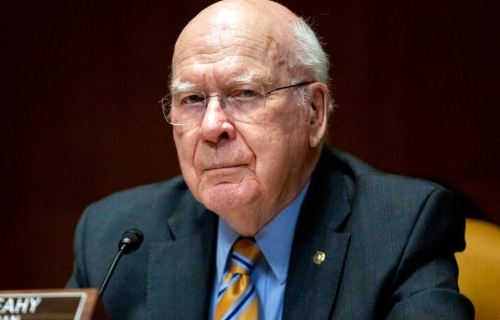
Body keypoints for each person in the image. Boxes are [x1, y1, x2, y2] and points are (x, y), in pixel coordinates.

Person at [66, 0, 474, 319]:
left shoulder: (400, 229)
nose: (212, 127)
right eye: (191, 99)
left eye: (245, 94)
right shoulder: (114, 237)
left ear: (314, 112)